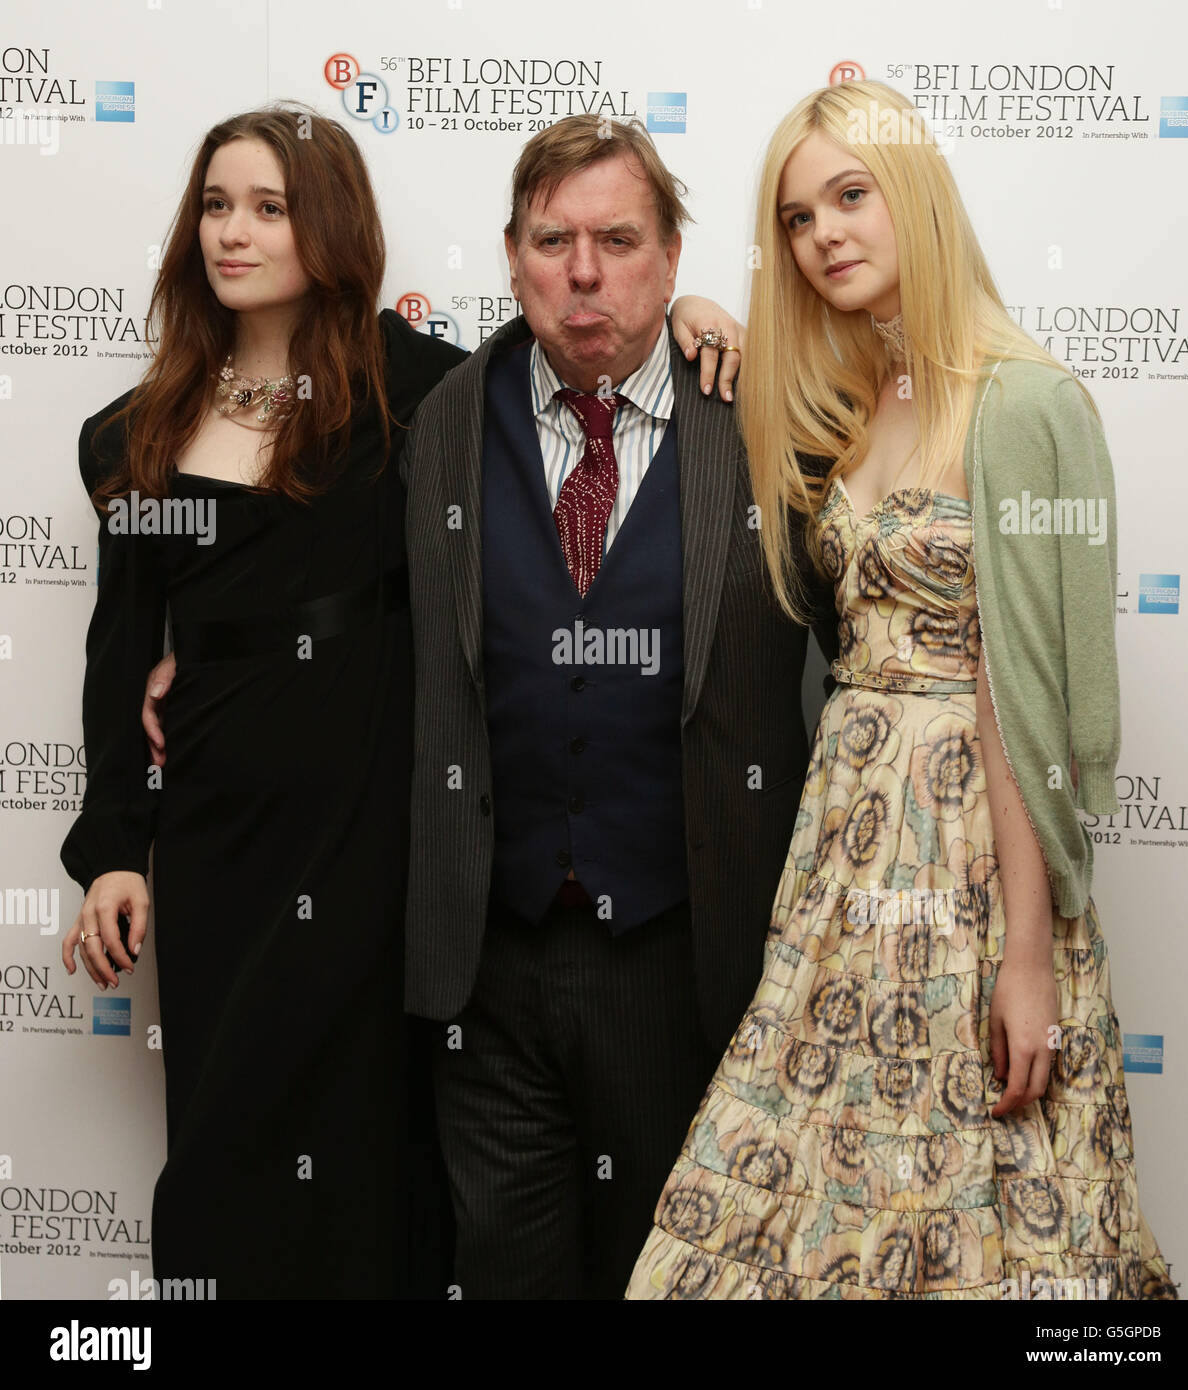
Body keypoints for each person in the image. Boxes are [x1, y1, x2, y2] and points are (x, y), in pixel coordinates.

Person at [626, 80, 1178, 1301]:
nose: (821, 232)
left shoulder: (1026, 404)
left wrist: (1024, 956)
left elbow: (1025, 693)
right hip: (839, 853)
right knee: (797, 1187)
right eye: (794, 217)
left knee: (986, 1199)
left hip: (977, 869)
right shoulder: (844, 403)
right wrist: (712, 306)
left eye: (851, 194)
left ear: (914, 197)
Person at [401, 114, 840, 1299]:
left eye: (616, 239)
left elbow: (874, 669)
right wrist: (178, 647)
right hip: (488, 974)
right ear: (508, 254)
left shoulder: (766, 421)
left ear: (672, 253)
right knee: (504, 1271)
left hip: (688, 962)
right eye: (551, 240)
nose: (582, 271)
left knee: (677, 1276)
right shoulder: (440, 420)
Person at [59, 104, 467, 1299]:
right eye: (217, 204)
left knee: (361, 1146)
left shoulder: (406, 395)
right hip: (217, 832)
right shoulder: (141, 435)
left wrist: (705, 317)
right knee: (224, 1136)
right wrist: (116, 852)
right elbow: (116, 655)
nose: (231, 232)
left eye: (269, 207)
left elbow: (566, 352)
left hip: (364, 835)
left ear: (326, 225)